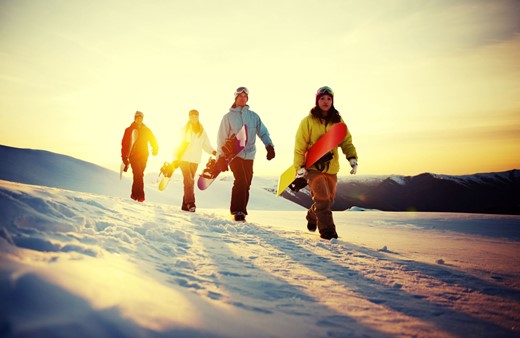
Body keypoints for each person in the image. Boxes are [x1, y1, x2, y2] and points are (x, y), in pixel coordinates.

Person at [293, 86, 358, 240]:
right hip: (313, 167)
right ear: (317, 100)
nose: (326, 101)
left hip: (332, 168)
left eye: (329, 98)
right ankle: (328, 232)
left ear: (332, 101)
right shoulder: (307, 121)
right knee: (322, 199)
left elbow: (346, 140)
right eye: (322, 98)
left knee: (328, 201)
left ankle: (312, 214)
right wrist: (300, 167)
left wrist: (352, 157)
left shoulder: (338, 120)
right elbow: (299, 146)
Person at [215, 86, 275, 221]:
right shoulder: (228, 117)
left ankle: (241, 209)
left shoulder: (254, 116)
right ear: (235, 99)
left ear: (247, 99)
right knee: (241, 180)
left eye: (244, 96)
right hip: (234, 155)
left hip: (250, 154)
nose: (242, 98)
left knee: (247, 182)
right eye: (240, 96)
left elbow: (263, 132)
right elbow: (221, 137)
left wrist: (269, 146)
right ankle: (237, 210)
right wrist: (220, 158)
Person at [172, 109, 216, 212]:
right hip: (184, 159)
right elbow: (177, 145)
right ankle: (191, 203)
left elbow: (206, 145)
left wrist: (214, 152)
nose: (194, 117)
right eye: (192, 116)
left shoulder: (202, 131)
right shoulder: (185, 130)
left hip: (195, 160)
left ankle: (185, 204)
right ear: (189, 117)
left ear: (198, 117)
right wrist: (175, 158)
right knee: (189, 180)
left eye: (195, 116)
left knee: (189, 181)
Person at [121, 110, 159, 202]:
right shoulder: (129, 130)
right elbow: (124, 144)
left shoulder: (146, 130)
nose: (139, 119)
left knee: (139, 175)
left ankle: (134, 196)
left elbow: (153, 140)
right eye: (137, 117)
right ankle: (141, 196)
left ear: (142, 119)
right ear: (135, 118)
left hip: (144, 155)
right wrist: (124, 157)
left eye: (140, 118)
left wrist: (155, 149)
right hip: (133, 155)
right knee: (138, 174)